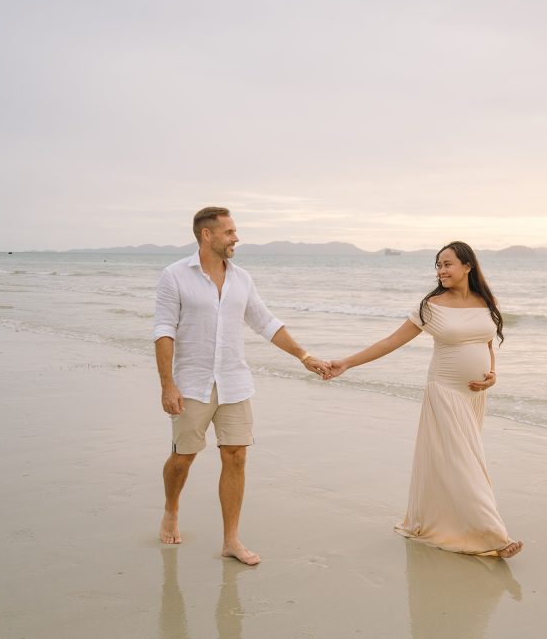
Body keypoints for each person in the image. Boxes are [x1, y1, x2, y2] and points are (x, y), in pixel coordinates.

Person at [153, 206, 330, 565]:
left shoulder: (242, 279)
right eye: (230, 232)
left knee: (236, 456)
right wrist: (167, 384)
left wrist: (303, 355)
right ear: (207, 235)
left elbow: (265, 322)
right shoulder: (174, 276)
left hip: (235, 382)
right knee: (183, 458)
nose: (236, 238)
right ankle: (171, 508)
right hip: (193, 383)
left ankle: (231, 540)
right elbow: (164, 331)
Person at [329, 241, 522, 558]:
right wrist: (347, 362)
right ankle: (494, 536)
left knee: (458, 461)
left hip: (473, 396)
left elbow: (487, 343)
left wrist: (493, 374)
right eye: (438, 265)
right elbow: (392, 340)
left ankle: (442, 520)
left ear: (467, 267)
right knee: (465, 462)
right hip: (444, 392)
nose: (442, 270)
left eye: (448, 264)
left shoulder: (485, 301)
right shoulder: (432, 306)